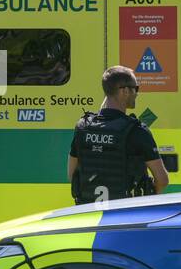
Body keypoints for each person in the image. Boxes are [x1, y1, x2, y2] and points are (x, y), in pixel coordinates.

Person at [68, 65, 169, 204]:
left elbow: (72, 174)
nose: (137, 94)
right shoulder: (137, 131)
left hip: (89, 214)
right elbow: (162, 180)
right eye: (136, 88)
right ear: (125, 91)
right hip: (125, 215)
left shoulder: (83, 127)